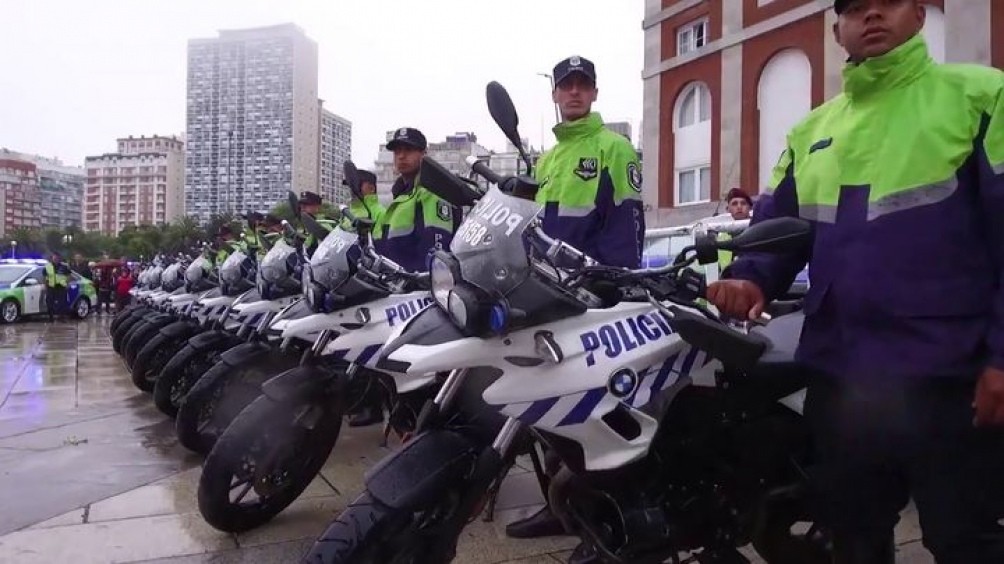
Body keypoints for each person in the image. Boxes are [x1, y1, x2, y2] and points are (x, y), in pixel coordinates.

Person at [707, 1, 1004, 562]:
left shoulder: (982, 97)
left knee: (964, 540)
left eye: (887, 2)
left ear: (918, 14)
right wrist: (749, 280)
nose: (872, 16)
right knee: (853, 539)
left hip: (949, 382)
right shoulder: (810, 131)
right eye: (855, 8)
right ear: (836, 27)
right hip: (841, 383)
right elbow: (778, 232)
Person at [505, 55, 646, 558]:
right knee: (546, 409)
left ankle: (603, 518)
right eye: (566, 86)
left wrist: (612, 286)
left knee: (591, 411)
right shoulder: (548, 158)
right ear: (555, 95)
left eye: (583, 86)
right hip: (543, 294)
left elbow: (627, 224)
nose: (574, 93)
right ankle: (557, 503)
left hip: (591, 297)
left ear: (594, 94)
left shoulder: (614, 147)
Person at [44, 253, 72, 322]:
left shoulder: (64, 266)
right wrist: (45, 285)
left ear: (60, 258)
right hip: (51, 286)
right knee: (49, 302)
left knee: (62, 303)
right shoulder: (47, 266)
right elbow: (44, 276)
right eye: (54, 258)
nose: (56, 259)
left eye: (57, 258)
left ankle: (61, 317)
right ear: (52, 258)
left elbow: (69, 275)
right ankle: (51, 317)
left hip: (61, 286)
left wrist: (67, 283)